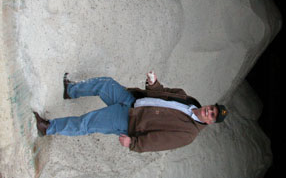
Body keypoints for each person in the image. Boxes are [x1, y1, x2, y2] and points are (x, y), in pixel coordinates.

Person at [34, 72, 228, 152]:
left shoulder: (189, 134)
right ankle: (70, 91)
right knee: (105, 84)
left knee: (89, 122)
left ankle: (48, 128)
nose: (209, 111)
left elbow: (158, 142)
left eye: (212, 115)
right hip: (133, 100)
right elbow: (162, 94)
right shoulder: (188, 99)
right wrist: (154, 83)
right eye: (212, 108)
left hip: (129, 121)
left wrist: (133, 143)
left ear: (210, 122)